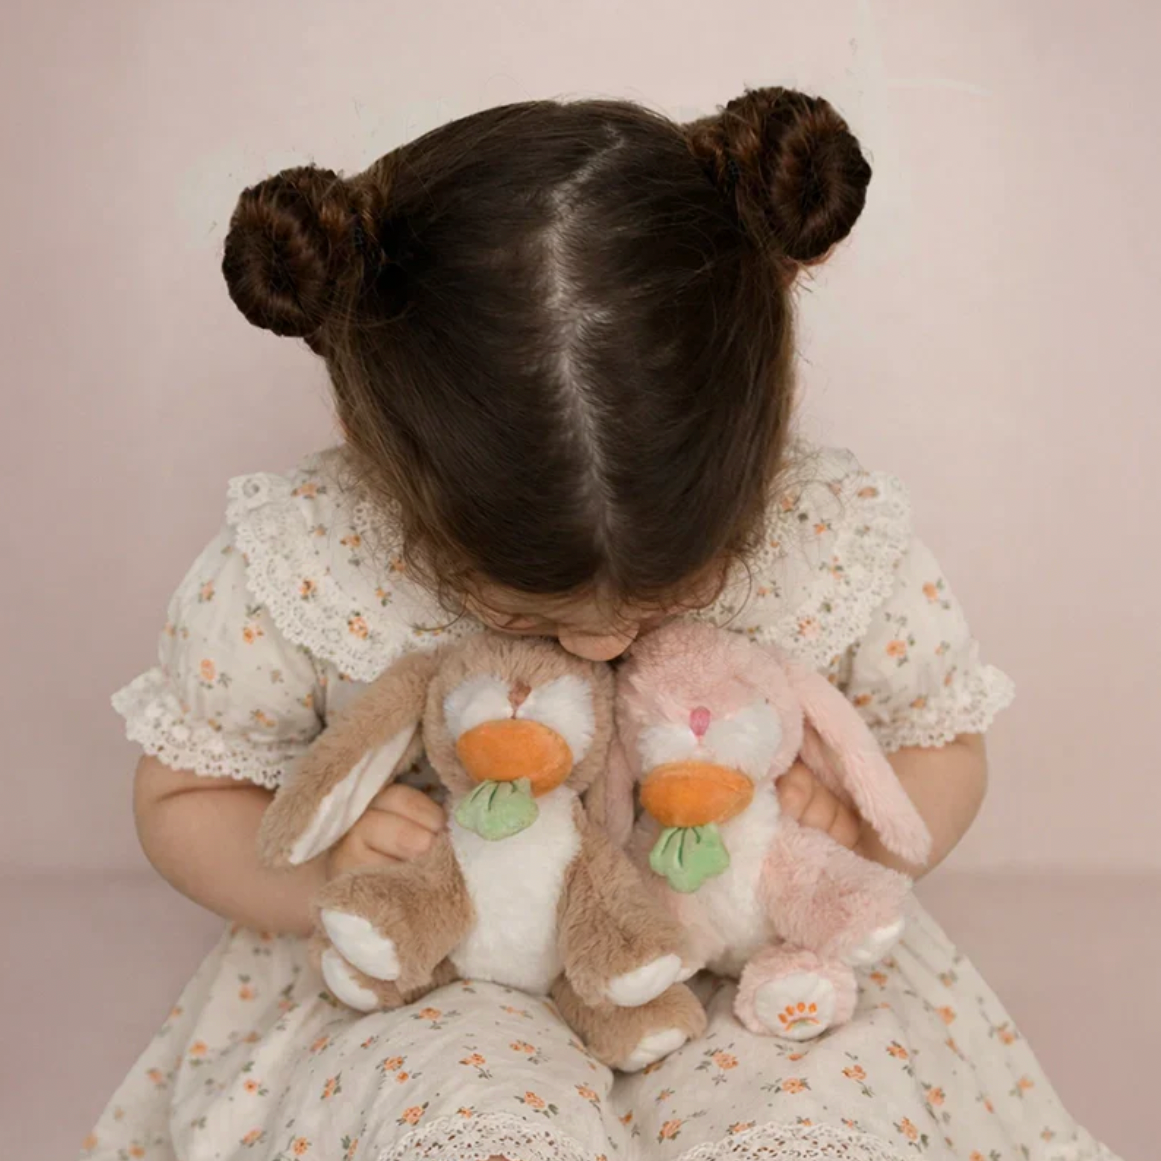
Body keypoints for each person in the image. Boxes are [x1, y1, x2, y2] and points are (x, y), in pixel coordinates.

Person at [84, 89, 1118, 1161]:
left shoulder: (831, 534)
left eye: (674, 597)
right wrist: (326, 872)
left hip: (738, 958)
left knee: (830, 1120)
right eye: (518, 613)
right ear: (363, 438)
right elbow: (185, 793)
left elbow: (938, 739)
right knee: (459, 1125)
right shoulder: (305, 563)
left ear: (772, 418)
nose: (597, 647)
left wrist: (861, 832)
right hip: (436, 970)